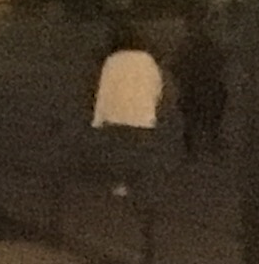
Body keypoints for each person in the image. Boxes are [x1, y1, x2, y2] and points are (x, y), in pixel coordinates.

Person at [88, 21, 165, 192]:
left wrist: (98, 119)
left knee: (119, 153)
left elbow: (104, 91)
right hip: (142, 114)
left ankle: (120, 185)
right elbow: (157, 86)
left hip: (116, 115)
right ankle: (139, 186)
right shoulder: (148, 60)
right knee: (139, 152)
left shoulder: (112, 60)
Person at [176, 14, 230, 159]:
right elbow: (221, 61)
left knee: (195, 118)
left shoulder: (189, 45)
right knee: (200, 117)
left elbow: (176, 65)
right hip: (200, 84)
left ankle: (198, 149)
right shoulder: (201, 44)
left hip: (199, 84)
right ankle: (206, 147)